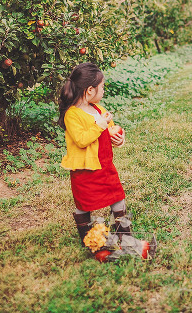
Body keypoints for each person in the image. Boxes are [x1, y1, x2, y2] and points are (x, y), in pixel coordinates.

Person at [57, 62, 132, 249]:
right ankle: (90, 239)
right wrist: (99, 125)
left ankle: (125, 236)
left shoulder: (99, 109)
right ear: (90, 90)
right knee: (84, 203)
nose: (104, 91)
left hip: (105, 166)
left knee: (117, 196)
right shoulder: (72, 115)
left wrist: (118, 137)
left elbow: (111, 129)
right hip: (85, 170)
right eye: (102, 87)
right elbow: (81, 140)